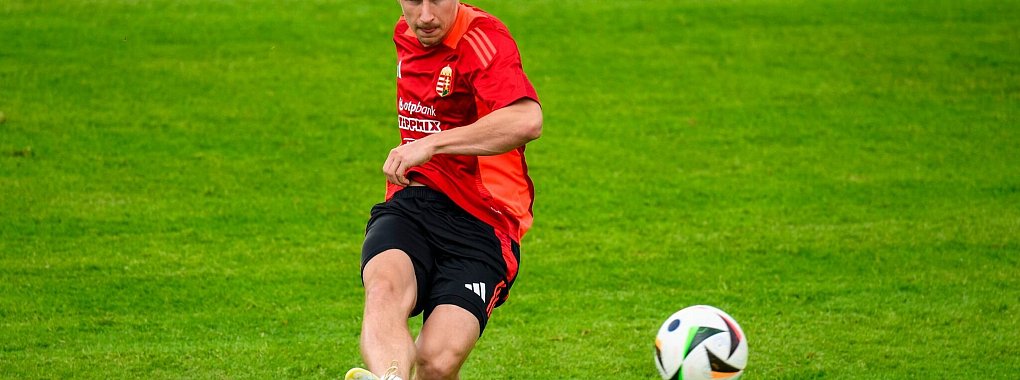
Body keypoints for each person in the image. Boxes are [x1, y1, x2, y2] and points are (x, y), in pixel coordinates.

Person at [345, 1, 542, 379]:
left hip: (485, 222)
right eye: (414, 2)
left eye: (436, 0)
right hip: (413, 202)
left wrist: (433, 143)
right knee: (384, 289)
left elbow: (527, 119)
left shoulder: (482, 39)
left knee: (437, 361)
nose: (426, 16)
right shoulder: (406, 32)